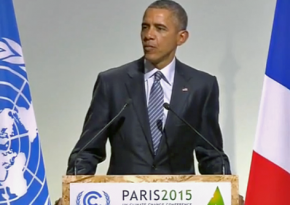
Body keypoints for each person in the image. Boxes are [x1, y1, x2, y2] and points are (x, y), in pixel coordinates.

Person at [66, 0, 231, 176]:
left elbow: (211, 154)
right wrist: (73, 191)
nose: (148, 35)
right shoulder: (112, 83)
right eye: (145, 27)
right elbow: (87, 151)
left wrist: (228, 193)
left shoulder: (201, 86)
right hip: (123, 198)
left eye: (160, 28)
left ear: (181, 37)